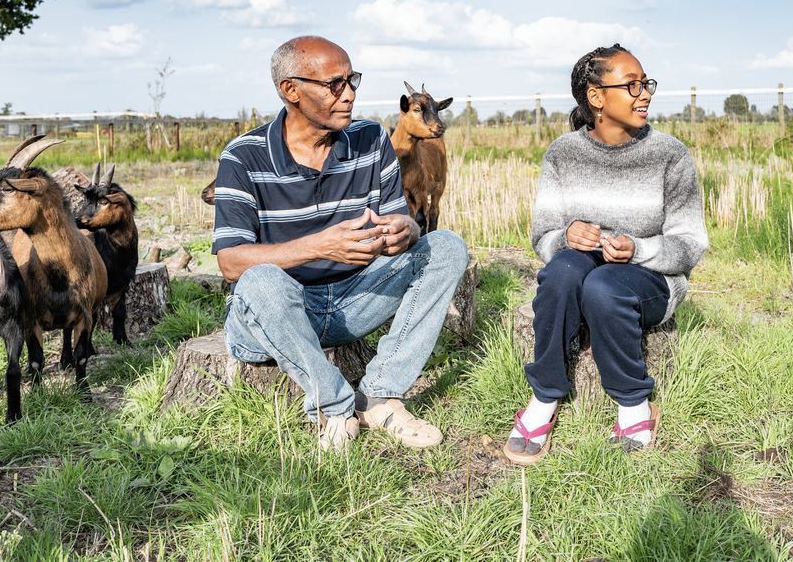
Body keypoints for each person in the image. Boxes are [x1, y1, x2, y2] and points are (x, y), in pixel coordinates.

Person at [212, 36, 469, 452]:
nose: (349, 94)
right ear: (291, 91)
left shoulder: (371, 140)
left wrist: (405, 231)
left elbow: (401, 220)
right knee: (260, 281)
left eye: (352, 81)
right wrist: (320, 246)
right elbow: (230, 262)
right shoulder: (243, 157)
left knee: (446, 248)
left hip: (355, 298)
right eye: (335, 84)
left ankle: (381, 396)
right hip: (278, 314)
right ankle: (333, 405)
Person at [503, 44, 708, 465]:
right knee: (561, 275)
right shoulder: (563, 153)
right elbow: (542, 235)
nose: (644, 94)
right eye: (630, 85)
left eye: (645, 83)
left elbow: (690, 245)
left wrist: (640, 249)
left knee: (602, 286)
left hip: (651, 278)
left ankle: (633, 401)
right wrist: (565, 236)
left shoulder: (670, 155)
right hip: (583, 265)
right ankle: (545, 396)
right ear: (596, 97)